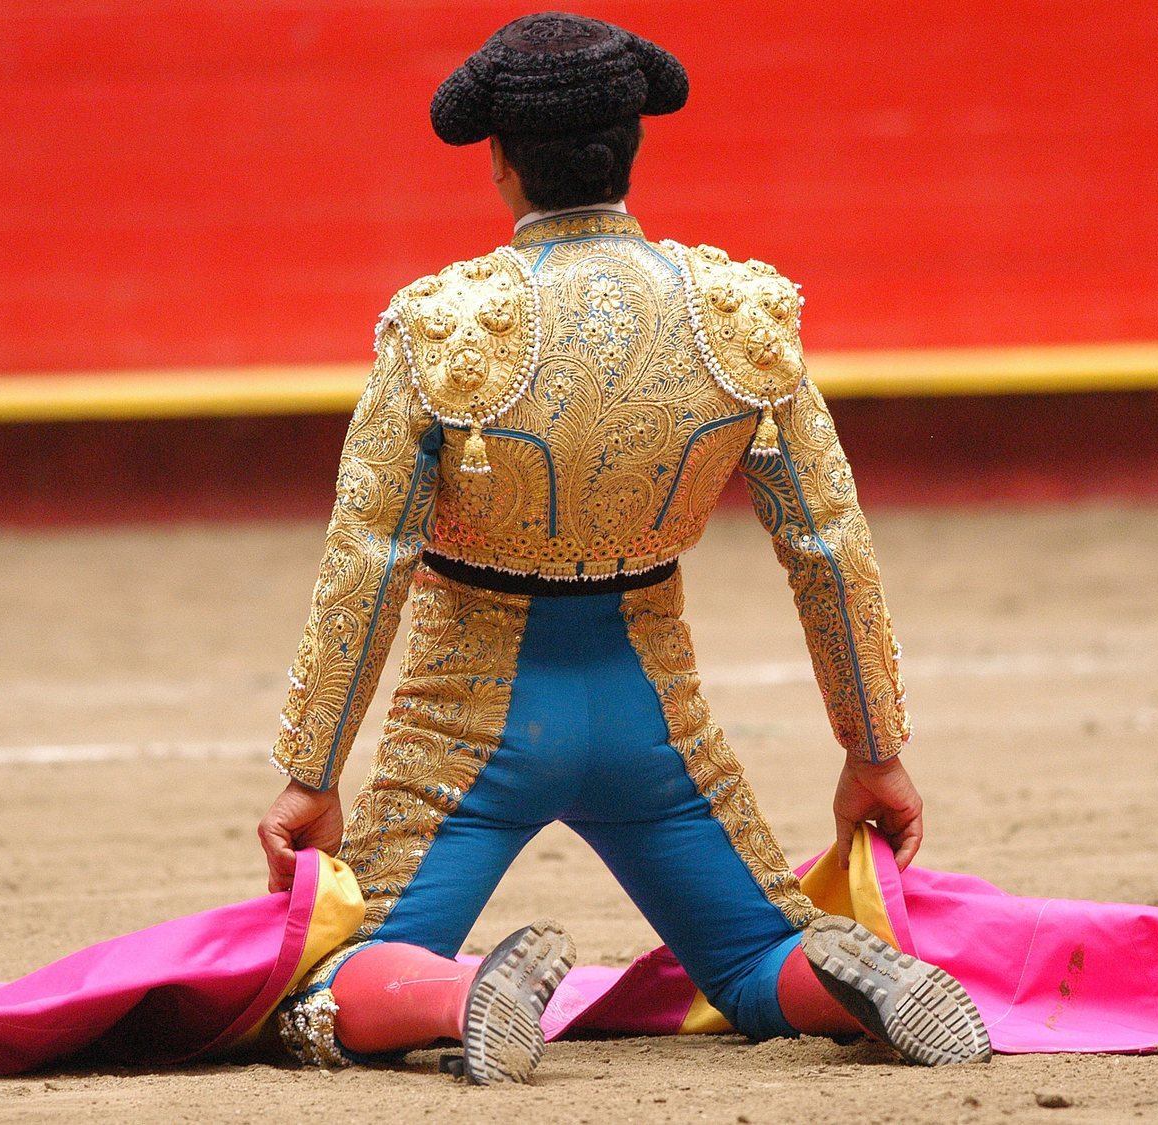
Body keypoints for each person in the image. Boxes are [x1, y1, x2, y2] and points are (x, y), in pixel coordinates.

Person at [257, 12, 990, 1083]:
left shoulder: (444, 324)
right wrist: (873, 750)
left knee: (329, 986)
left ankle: (466, 992)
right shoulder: (737, 315)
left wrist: (310, 775)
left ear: (500, 161)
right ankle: (840, 974)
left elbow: (367, 560)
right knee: (751, 956)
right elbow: (828, 545)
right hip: (653, 713)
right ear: (634, 145)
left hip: (473, 718)